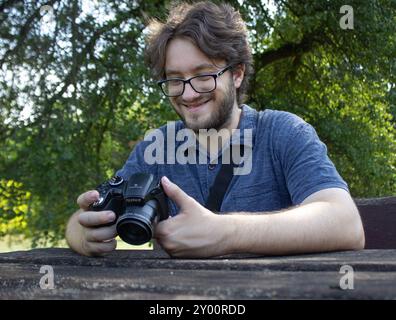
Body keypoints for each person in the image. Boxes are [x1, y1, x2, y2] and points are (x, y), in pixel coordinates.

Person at [65, 1, 365, 257]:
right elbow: (78, 224)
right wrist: (84, 233)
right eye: (175, 79)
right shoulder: (154, 150)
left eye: (204, 75)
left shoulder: (283, 132)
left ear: (236, 73)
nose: (188, 93)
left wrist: (224, 233)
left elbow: (345, 223)